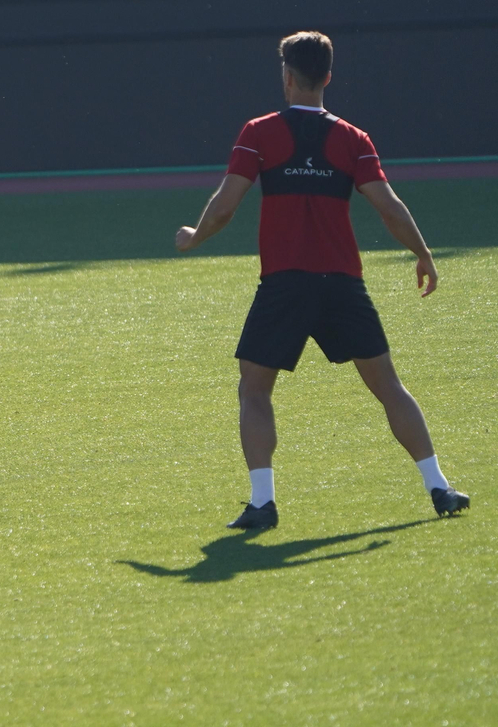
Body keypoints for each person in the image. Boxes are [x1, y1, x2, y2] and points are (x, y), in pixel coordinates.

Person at [175, 31, 468, 528]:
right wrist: (423, 253)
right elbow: (389, 208)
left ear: (287, 76)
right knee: (389, 387)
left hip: (285, 283)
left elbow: (225, 207)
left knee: (253, 389)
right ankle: (439, 487)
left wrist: (194, 237)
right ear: (328, 77)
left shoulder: (259, 132)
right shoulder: (353, 139)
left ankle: (263, 504)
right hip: (342, 284)